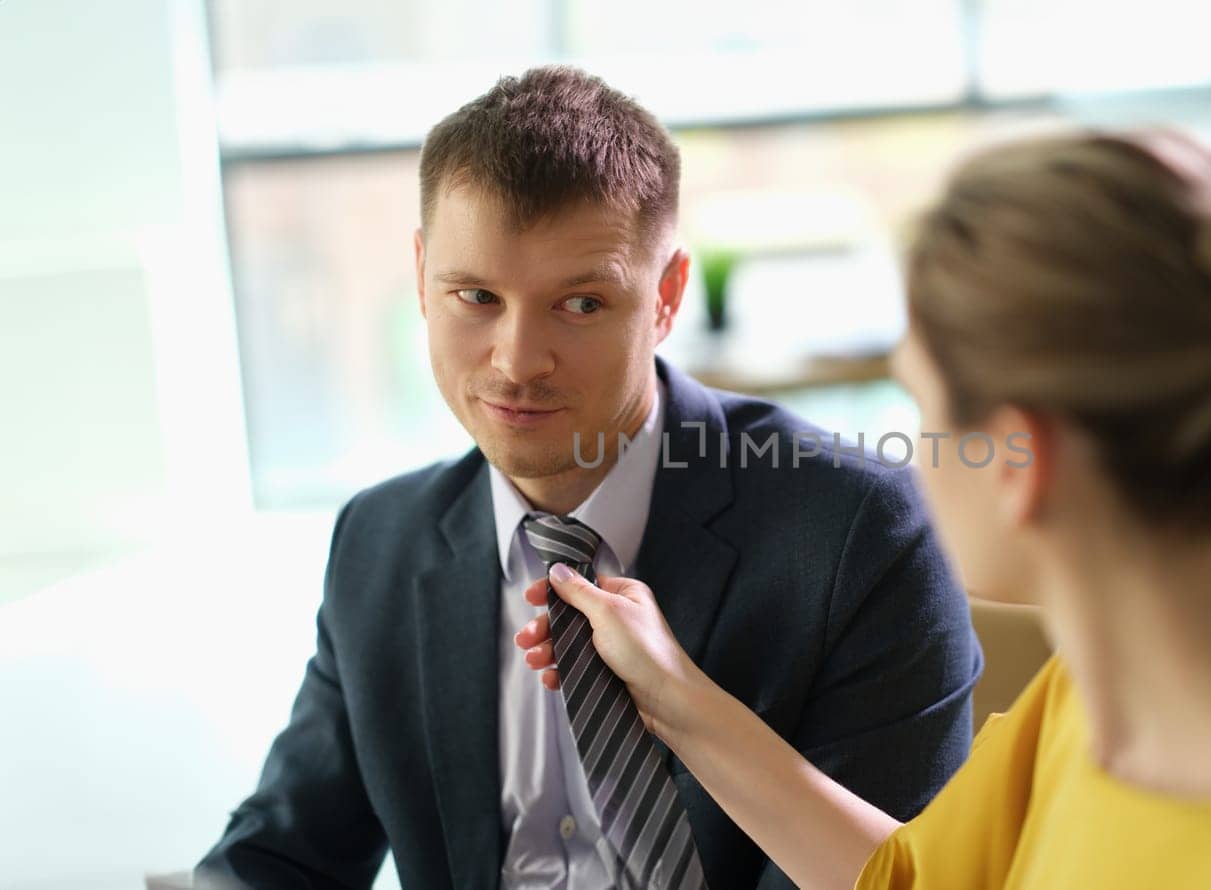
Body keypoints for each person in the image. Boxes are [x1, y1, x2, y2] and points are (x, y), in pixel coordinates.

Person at [515, 130, 1211, 889]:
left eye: (923, 410)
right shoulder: (1110, 688)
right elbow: (913, 880)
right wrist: (677, 700)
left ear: (1021, 459)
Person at [196, 66, 981, 889]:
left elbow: (894, 876)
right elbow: (280, 853)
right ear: (423, 278)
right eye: (475, 296)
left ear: (668, 294)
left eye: (580, 305)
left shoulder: (856, 532)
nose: (517, 362)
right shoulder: (379, 542)